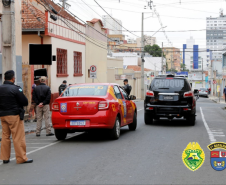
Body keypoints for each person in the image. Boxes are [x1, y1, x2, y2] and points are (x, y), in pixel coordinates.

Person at [0, 70, 33, 164]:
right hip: (14, 115)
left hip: (2, 115)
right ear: (13, 78)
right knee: (18, 137)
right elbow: (24, 102)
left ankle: (5, 158)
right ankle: (21, 158)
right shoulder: (15, 89)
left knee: (5, 136)